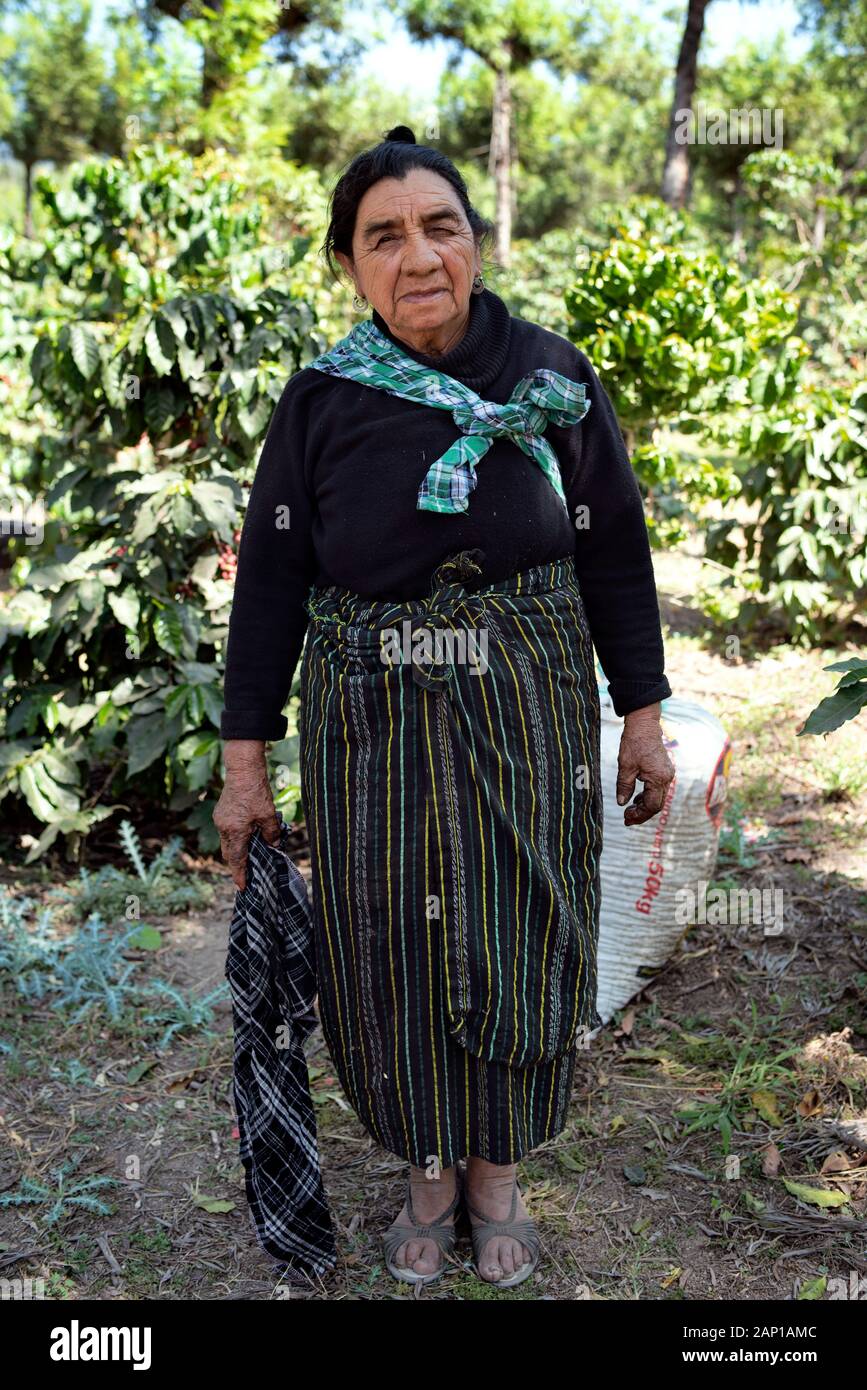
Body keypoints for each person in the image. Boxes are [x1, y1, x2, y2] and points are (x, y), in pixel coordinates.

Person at [215, 124, 675, 1288]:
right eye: (385, 236)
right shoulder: (322, 402)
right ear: (350, 265)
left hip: (525, 700)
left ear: (476, 243)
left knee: (523, 920)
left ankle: (497, 1169)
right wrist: (246, 765)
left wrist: (643, 712)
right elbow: (270, 584)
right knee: (389, 940)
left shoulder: (552, 378)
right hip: (372, 717)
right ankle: (428, 1163)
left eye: (442, 227)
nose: (418, 256)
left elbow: (613, 550)